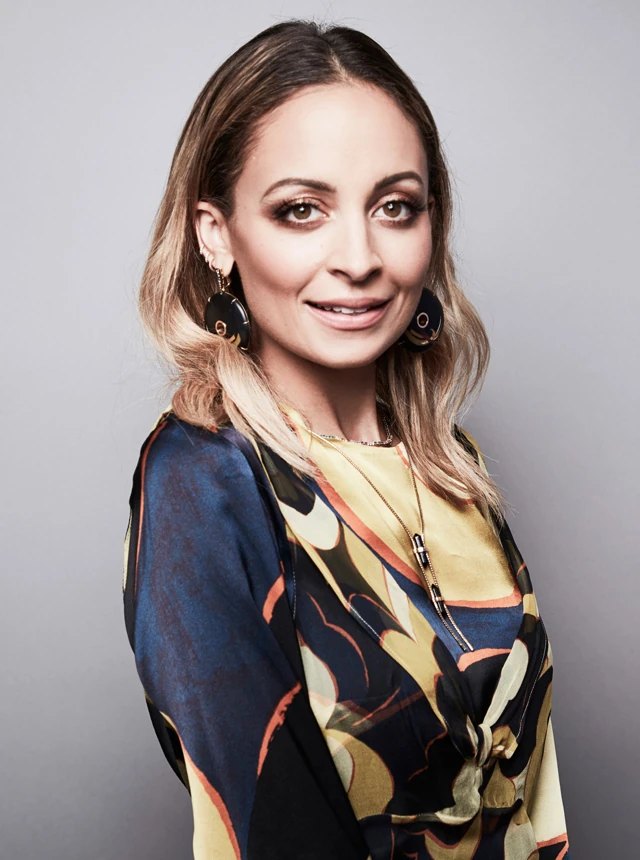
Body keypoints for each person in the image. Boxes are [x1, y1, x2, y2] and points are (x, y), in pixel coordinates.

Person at [123, 18, 570, 860]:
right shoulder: (204, 483)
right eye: (302, 211)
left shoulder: (451, 463)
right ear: (216, 234)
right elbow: (276, 830)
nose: (359, 257)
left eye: (395, 207)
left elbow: (535, 805)